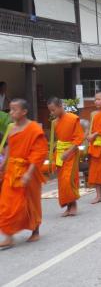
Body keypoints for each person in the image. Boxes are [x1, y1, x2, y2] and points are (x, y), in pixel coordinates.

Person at [0, 99, 48, 247]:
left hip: (28, 171)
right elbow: (9, 147)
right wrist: (4, 164)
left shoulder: (34, 129)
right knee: (7, 203)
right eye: (10, 109)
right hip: (12, 170)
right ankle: (8, 235)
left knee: (30, 202)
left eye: (15, 109)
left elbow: (38, 153)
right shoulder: (10, 127)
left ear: (24, 111)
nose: (11, 112)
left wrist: (29, 173)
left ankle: (35, 230)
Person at [47, 97, 85, 217]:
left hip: (71, 153)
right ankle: (68, 206)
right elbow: (58, 140)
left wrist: (68, 152)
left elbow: (79, 138)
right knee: (62, 181)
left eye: (53, 110)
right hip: (60, 153)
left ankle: (73, 204)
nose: (51, 113)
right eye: (50, 111)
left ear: (60, 106)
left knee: (69, 179)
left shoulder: (73, 119)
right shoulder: (55, 122)